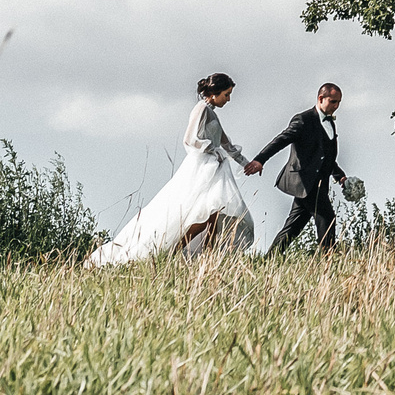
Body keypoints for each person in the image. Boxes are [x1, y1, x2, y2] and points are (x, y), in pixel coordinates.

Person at [86, 73, 256, 265]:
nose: (229, 99)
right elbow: (189, 140)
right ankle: (172, 251)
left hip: (214, 170)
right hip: (201, 170)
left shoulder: (211, 112)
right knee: (202, 213)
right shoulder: (201, 109)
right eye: (226, 94)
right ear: (214, 93)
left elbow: (227, 144)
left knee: (214, 214)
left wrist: (246, 163)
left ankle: (208, 257)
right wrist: (212, 150)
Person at [253, 81, 350, 253]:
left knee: (294, 225)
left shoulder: (330, 124)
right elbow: (280, 140)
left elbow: (324, 156)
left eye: (339, 102)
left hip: (318, 184)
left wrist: (338, 175)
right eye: (333, 101)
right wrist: (261, 160)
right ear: (321, 98)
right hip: (304, 181)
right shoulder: (303, 120)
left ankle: (270, 258)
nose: (337, 106)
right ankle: (329, 260)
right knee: (327, 217)